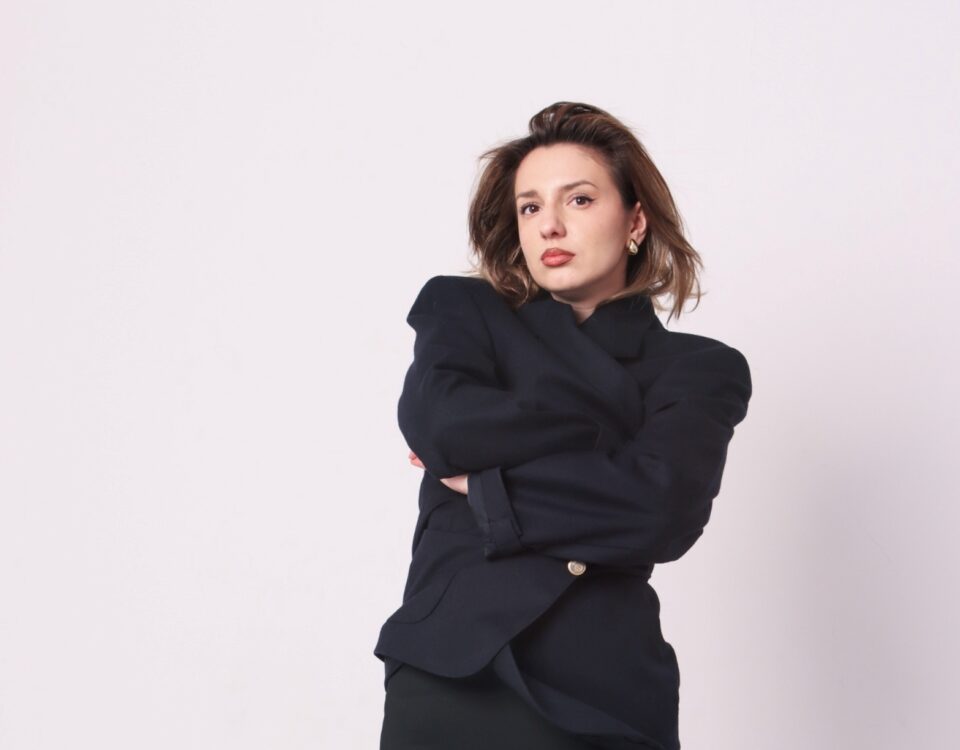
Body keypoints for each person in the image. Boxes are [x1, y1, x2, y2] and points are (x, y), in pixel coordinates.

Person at [374, 101, 753, 750]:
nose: (550, 224)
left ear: (635, 220)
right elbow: (441, 429)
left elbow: (661, 511)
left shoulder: (698, 367)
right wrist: (605, 450)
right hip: (452, 667)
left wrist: (488, 489)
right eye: (529, 207)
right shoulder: (463, 309)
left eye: (579, 200)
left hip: (603, 684)